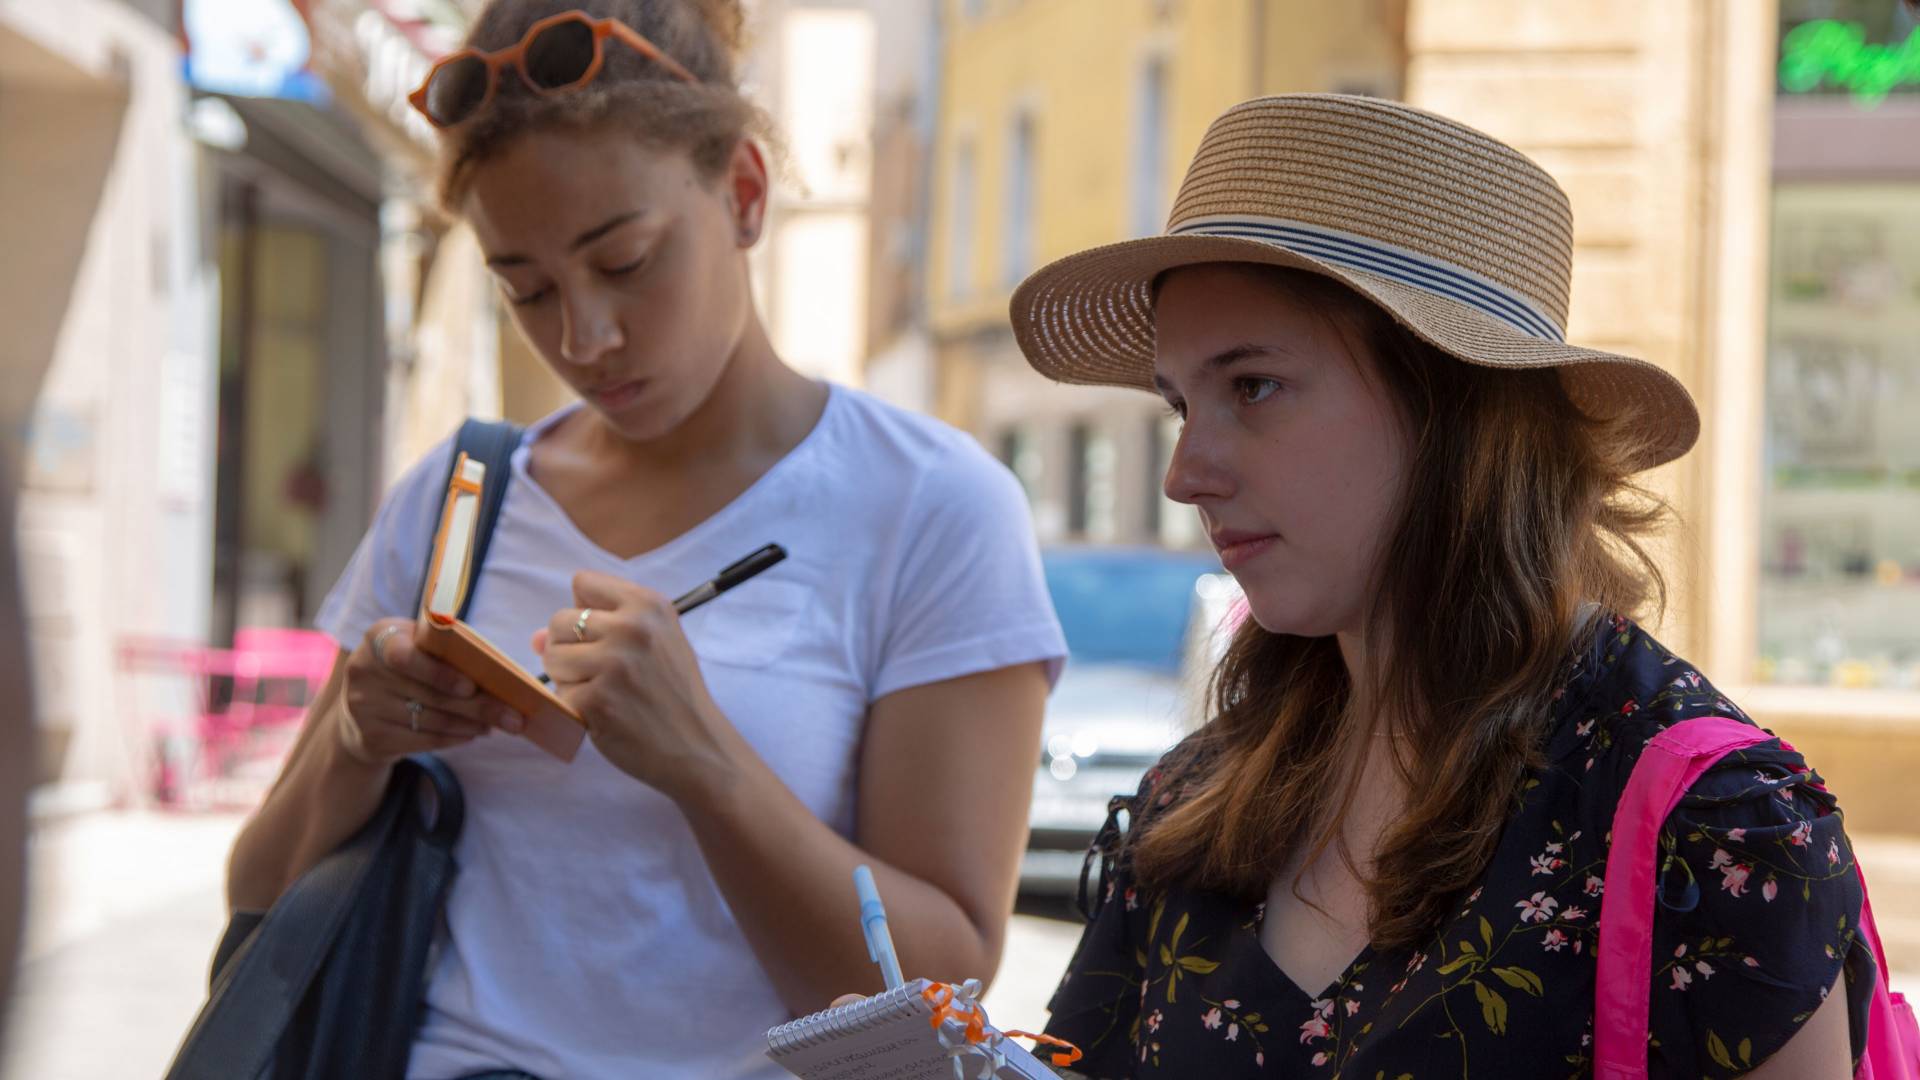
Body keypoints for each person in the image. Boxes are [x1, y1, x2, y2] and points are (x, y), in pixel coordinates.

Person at [224, 2, 1066, 1077]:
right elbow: (258, 896)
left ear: (745, 194)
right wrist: (355, 735)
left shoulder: (934, 509)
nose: (584, 337)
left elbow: (942, 993)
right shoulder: (460, 495)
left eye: (624, 261)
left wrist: (704, 763)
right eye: (524, 288)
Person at [1008, 95, 1870, 1078]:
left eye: (1251, 388)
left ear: (1452, 409)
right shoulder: (1192, 801)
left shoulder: (1712, 833)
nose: (1185, 473)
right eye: (1180, 404)